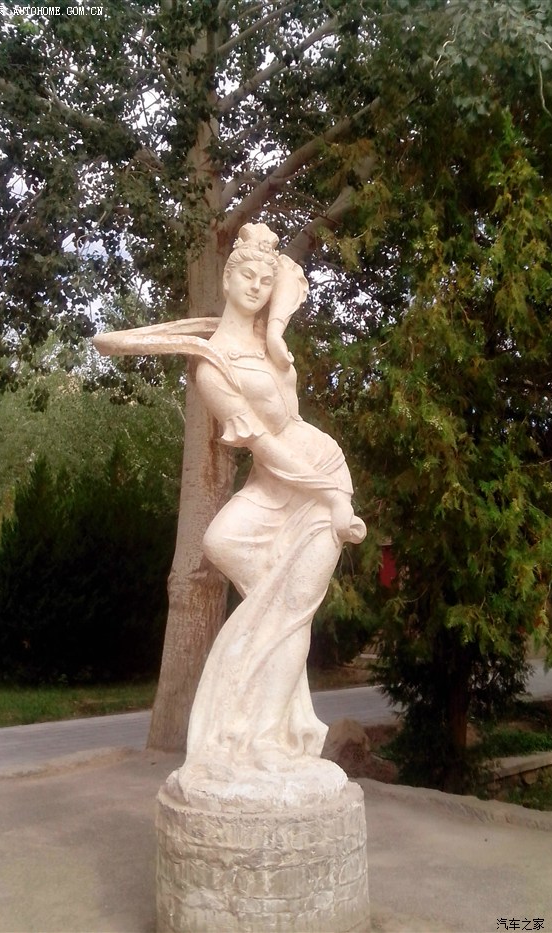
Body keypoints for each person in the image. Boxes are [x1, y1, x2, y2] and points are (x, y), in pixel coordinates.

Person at [96, 223, 365, 790]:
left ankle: (267, 737)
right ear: (226, 278)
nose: (257, 286)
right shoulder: (211, 365)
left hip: (320, 469)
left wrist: (334, 497)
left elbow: (288, 278)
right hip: (281, 477)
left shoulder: (271, 340)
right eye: (246, 275)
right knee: (225, 545)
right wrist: (327, 493)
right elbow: (263, 445)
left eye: (264, 280)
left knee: (290, 611)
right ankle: (268, 714)